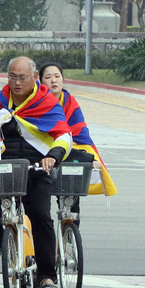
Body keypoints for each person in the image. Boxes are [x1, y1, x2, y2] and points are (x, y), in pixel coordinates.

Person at [0, 56, 72, 288]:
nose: (17, 82)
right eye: (12, 77)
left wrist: (53, 156)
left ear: (34, 77)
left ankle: (46, 275)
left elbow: (63, 135)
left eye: (23, 77)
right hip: (4, 167)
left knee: (41, 217)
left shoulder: (45, 101)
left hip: (37, 169)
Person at [39, 63, 117, 197]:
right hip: (42, 147)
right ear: (40, 82)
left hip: (67, 148)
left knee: (78, 164)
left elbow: (80, 134)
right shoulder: (35, 102)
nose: (53, 80)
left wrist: (91, 157)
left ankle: (71, 209)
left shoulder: (70, 102)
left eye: (57, 76)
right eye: (48, 77)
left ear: (63, 80)